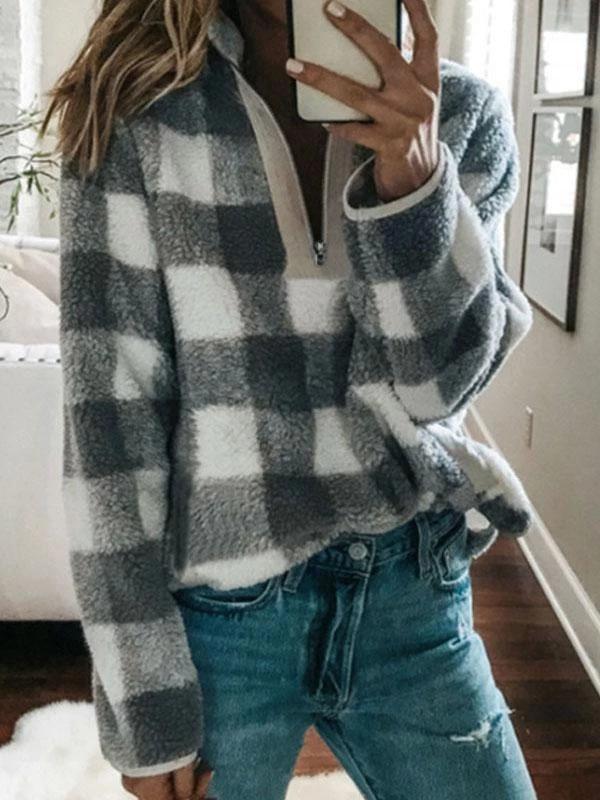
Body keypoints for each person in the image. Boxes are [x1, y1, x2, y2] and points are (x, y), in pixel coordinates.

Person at [43, 0, 538, 798]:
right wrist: (145, 704)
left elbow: (436, 389)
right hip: (223, 619)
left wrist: (413, 181)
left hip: (414, 591)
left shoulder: (459, 114)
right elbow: (109, 427)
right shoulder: (135, 116)